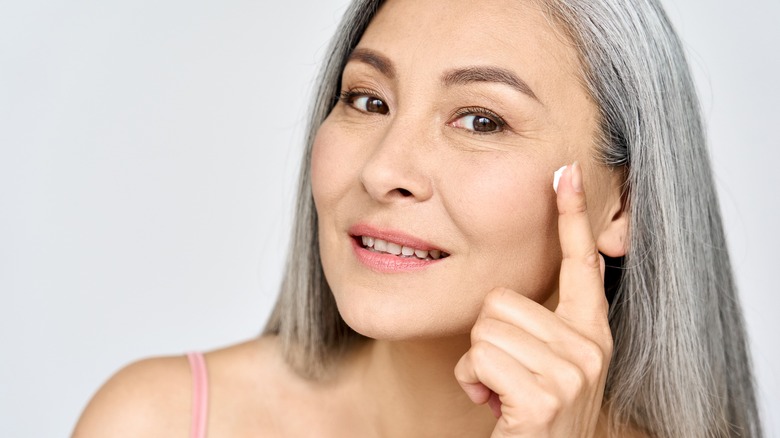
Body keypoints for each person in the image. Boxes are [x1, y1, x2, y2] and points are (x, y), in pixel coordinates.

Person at [72, 0, 763, 436]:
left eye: (481, 120)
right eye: (368, 100)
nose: (383, 170)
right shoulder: (156, 420)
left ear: (623, 205)